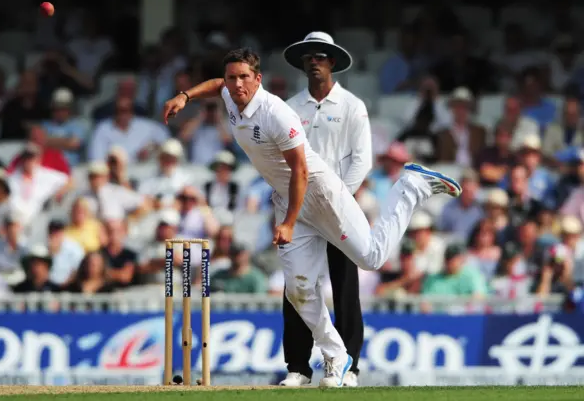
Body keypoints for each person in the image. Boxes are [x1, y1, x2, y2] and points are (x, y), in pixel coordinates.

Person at [162, 47, 462, 388]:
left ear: (258, 80)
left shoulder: (276, 112)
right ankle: (336, 354)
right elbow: (216, 84)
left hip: (318, 192)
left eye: (244, 77)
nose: (236, 84)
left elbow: (301, 171)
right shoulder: (230, 95)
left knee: (373, 258)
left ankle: (410, 185)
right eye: (233, 77)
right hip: (288, 199)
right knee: (299, 289)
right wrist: (185, 96)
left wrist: (288, 222)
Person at [280, 32, 371, 387]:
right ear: (303, 64)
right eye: (308, 57)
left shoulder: (352, 106)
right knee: (298, 285)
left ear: (332, 62)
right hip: (302, 211)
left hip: (339, 210)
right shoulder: (290, 107)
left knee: (345, 287)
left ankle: (351, 366)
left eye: (320, 56)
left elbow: (361, 161)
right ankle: (298, 367)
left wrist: (339, 200)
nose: (314, 61)